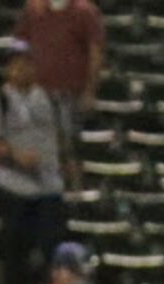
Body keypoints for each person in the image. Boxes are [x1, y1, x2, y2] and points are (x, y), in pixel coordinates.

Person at [0, 41, 66, 284]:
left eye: (26, 62)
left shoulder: (50, 98)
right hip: (13, 186)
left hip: (49, 186)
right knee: (15, 253)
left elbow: (63, 139)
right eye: (15, 63)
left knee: (51, 250)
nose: (21, 68)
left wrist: (71, 171)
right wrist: (15, 155)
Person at [14, 0, 102, 191]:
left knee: (68, 145)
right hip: (38, 91)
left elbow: (95, 52)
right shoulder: (33, 9)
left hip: (70, 92)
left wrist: (90, 90)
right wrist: (20, 71)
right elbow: (20, 42)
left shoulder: (85, 11)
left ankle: (73, 190)